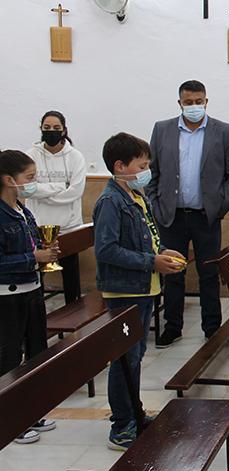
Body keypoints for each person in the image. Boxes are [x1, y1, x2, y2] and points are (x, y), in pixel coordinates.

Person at [94, 133, 185, 450]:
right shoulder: (110, 202)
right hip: (124, 292)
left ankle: (134, 412)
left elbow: (147, 237)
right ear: (120, 166)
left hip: (144, 288)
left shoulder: (135, 195)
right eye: (142, 165)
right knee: (124, 360)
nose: (147, 170)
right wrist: (151, 261)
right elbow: (106, 250)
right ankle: (121, 426)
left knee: (135, 357)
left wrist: (164, 253)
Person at [148, 80, 229, 347]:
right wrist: (155, 205)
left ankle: (211, 327)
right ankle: (173, 326)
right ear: (179, 103)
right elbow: (152, 173)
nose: (194, 106)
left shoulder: (222, 131)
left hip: (206, 216)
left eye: (198, 101)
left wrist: (221, 206)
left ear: (206, 101)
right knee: (173, 273)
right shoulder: (162, 130)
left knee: (209, 273)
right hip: (171, 216)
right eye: (188, 102)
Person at [0, 150, 60, 445]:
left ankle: (30, 412)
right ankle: (10, 419)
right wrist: (31, 256)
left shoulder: (22, 208)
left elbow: (34, 239)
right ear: (9, 179)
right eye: (30, 178)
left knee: (36, 352)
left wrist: (45, 252)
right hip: (8, 295)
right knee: (9, 358)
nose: (33, 183)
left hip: (32, 288)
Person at [26, 111, 87, 304]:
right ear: (41, 129)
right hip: (38, 226)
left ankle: (75, 316)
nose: (51, 131)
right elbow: (28, 190)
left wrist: (44, 193)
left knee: (70, 275)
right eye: (47, 128)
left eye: (56, 128)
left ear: (64, 130)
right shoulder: (30, 156)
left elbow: (75, 191)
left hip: (68, 227)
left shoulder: (75, 157)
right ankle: (36, 318)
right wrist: (61, 187)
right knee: (37, 276)